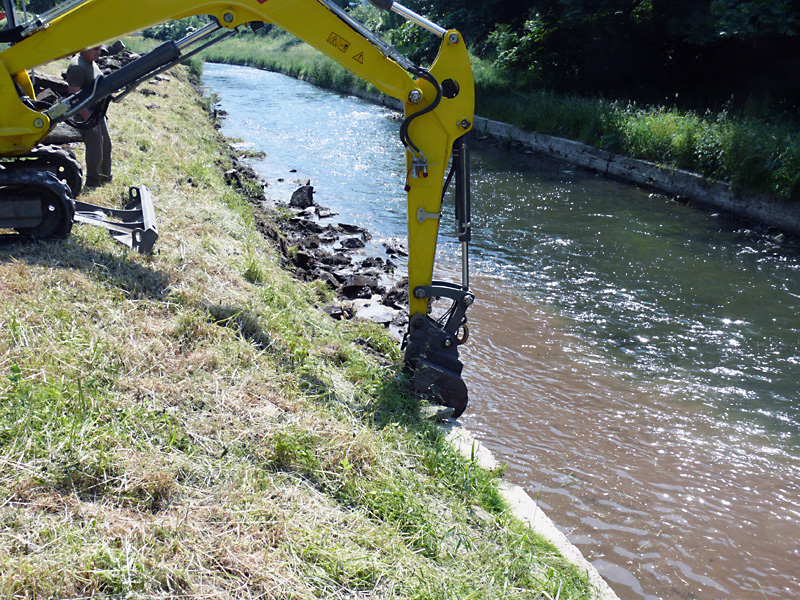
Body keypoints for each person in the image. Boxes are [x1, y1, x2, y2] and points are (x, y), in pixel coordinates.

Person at [67, 46, 112, 188]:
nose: (98, 53)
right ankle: (93, 181)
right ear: (84, 49)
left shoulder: (91, 62)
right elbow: (74, 97)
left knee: (106, 145)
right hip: (87, 114)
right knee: (95, 149)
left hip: (97, 112)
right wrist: (87, 118)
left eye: (100, 49)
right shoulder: (77, 67)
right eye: (95, 49)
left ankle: (105, 177)